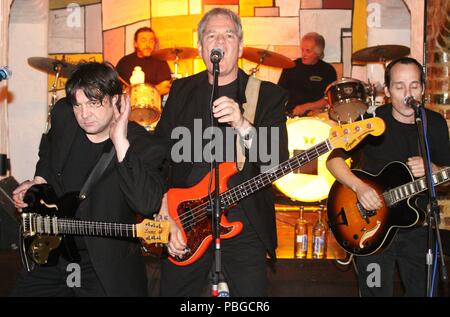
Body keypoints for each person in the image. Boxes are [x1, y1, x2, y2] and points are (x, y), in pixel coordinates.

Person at [155, 8, 289, 296]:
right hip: (184, 219)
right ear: (201, 47)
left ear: (240, 47)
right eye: (211, 35)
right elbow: (159, 158)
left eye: (229, 35)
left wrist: (242, 124)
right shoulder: (180, 91)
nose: (220, 41)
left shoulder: (266, 95)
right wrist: (163, 212)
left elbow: (275, 161)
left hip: (243, 221)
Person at [11, 62, 166, 296]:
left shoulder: (144, 145)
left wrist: (120, 141)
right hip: (51, 250)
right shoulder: (64, 115)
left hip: (102, 263)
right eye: (78, 105)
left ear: (117, 101)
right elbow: (49, 150)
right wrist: (38, 181)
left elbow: (147, 203)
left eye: (94, 103)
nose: (84, 114)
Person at [326, 57, 450, 296]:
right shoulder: (370, 122)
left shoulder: (433, 125)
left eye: (414, 85)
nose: (407, 92)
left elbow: (445, 178)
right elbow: (334, 161)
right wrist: (359, 187)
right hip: (370, 228)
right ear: (387, 91)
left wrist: (433, 169)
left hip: (418, 229)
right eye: (399, 86)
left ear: (423, 90)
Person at [278, 32, 337, 117]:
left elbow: (330, 99)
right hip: (291, 115)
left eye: (308, 51)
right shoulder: (291, 66)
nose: (303, 54)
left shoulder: (328, 70)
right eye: (302, 50)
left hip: (317, 117)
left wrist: (306, 107)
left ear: (318, 53)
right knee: (268, 128)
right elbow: (280, 93)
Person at [116, 27, 172, 96]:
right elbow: (116, 87)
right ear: (135, 43)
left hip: (153, 104)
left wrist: (143, 92)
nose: (148, 45)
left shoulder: (160, 61)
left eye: (151, 41)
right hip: (128, 105)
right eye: (144, 40)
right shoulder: (124, 62)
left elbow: (165, 87)